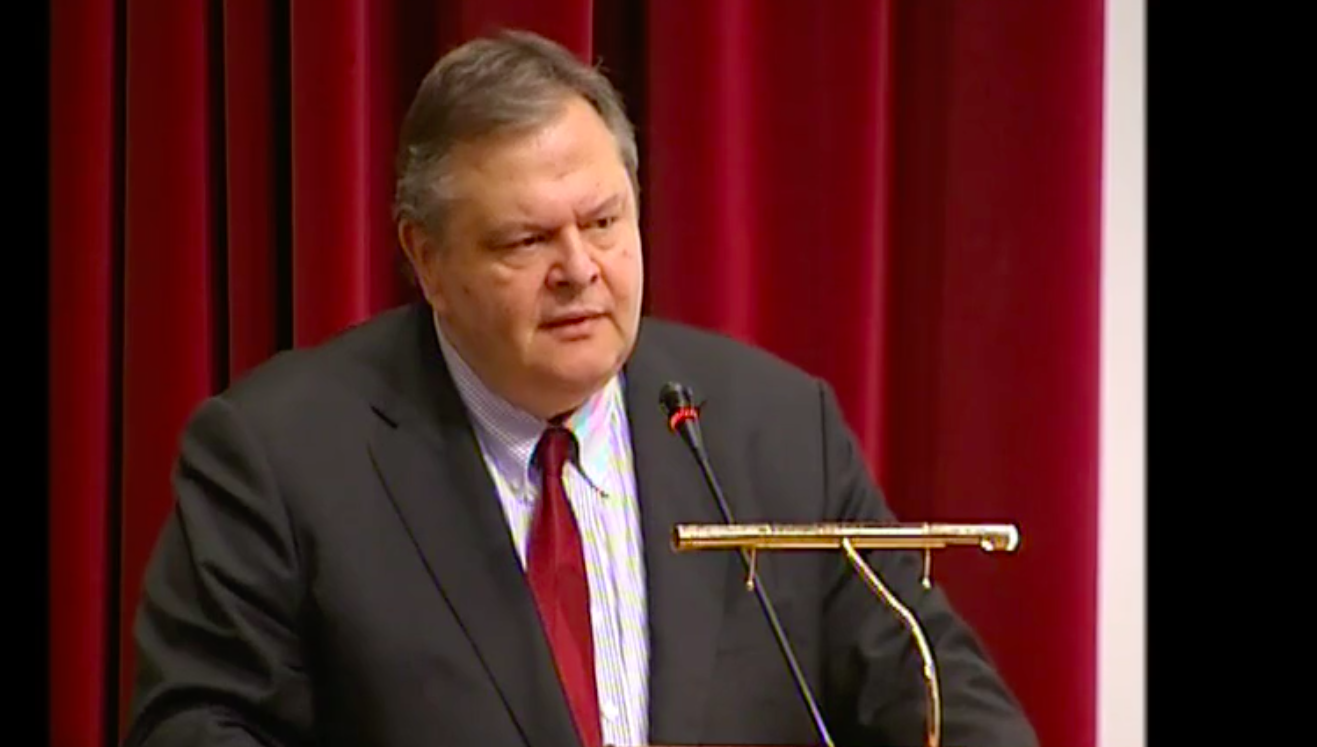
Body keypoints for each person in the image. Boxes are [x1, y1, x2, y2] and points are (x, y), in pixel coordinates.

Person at [124, 28, 1038, 747]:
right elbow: (197, 727)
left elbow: (940, 698)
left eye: (604, 221)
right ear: (426, 258)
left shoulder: (778, 430)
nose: (580, 270)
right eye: (526, 240)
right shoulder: (281, 457)